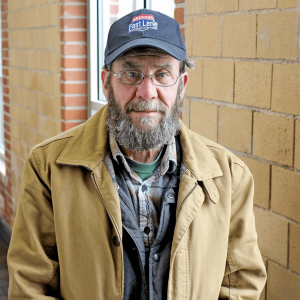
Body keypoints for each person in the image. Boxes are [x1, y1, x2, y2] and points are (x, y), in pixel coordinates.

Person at [7, 8, 266, 300]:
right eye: (132, 74)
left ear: (181, 86)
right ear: (107, 83)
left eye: (162, 74)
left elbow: (240, 286)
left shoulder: (229, 176)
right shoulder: (49, 168)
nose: (147, 91)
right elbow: (30, 285)